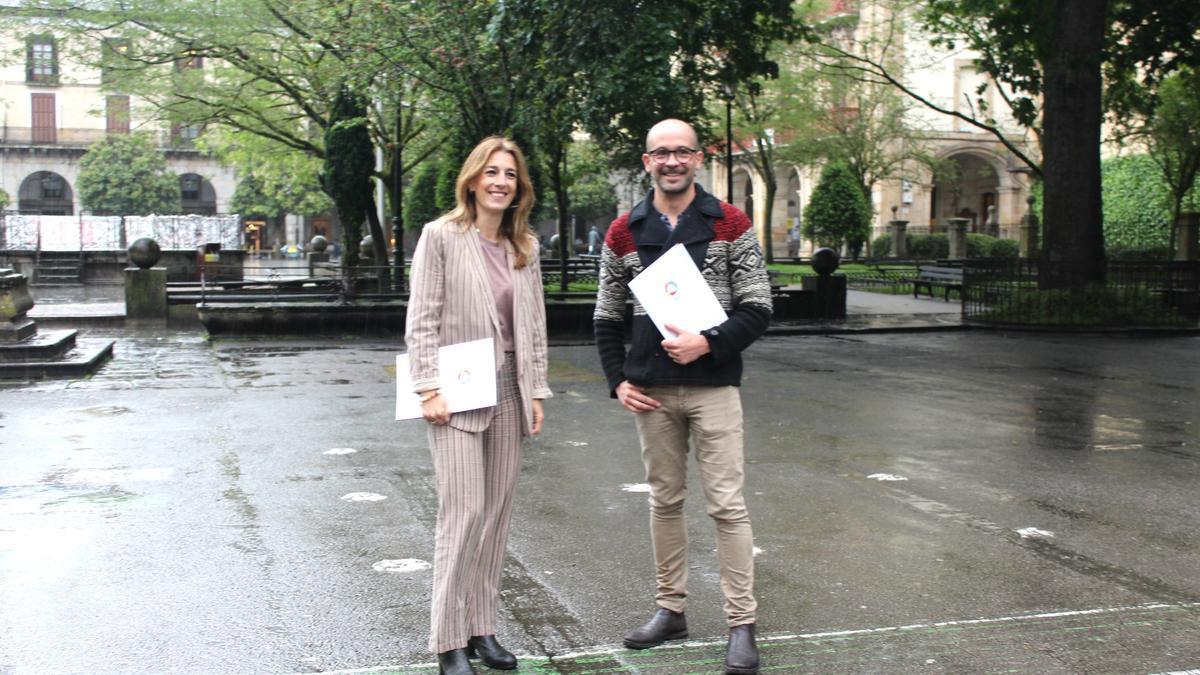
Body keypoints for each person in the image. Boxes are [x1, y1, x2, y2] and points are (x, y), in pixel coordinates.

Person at [593, 119, 772, 675]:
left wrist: (709, 343)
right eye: (661, 153)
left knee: (727, 506)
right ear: (646, 161)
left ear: (698, 158)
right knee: (664, 503)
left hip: (714, 386)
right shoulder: (625, 230)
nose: (672, 161)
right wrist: (618, 380)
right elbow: (606, 315)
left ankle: (741, 623)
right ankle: (671, 611)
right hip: (650, 392)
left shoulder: (730, 222)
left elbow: (759, 305)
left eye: (682, 152)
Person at [405, 136, 552, 675]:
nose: (500, 182)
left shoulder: (525, 246)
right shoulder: (441, 236)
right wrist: (427, 387)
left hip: (511, 390)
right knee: (462, 514)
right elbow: (422, 316)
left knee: (495, 516)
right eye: (491, 172)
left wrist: (537, 390)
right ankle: (448, 641)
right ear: (471, 180)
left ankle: (482, 629)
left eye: (509, 175)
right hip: (456, 392)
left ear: (519, 188)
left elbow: (533, 325)